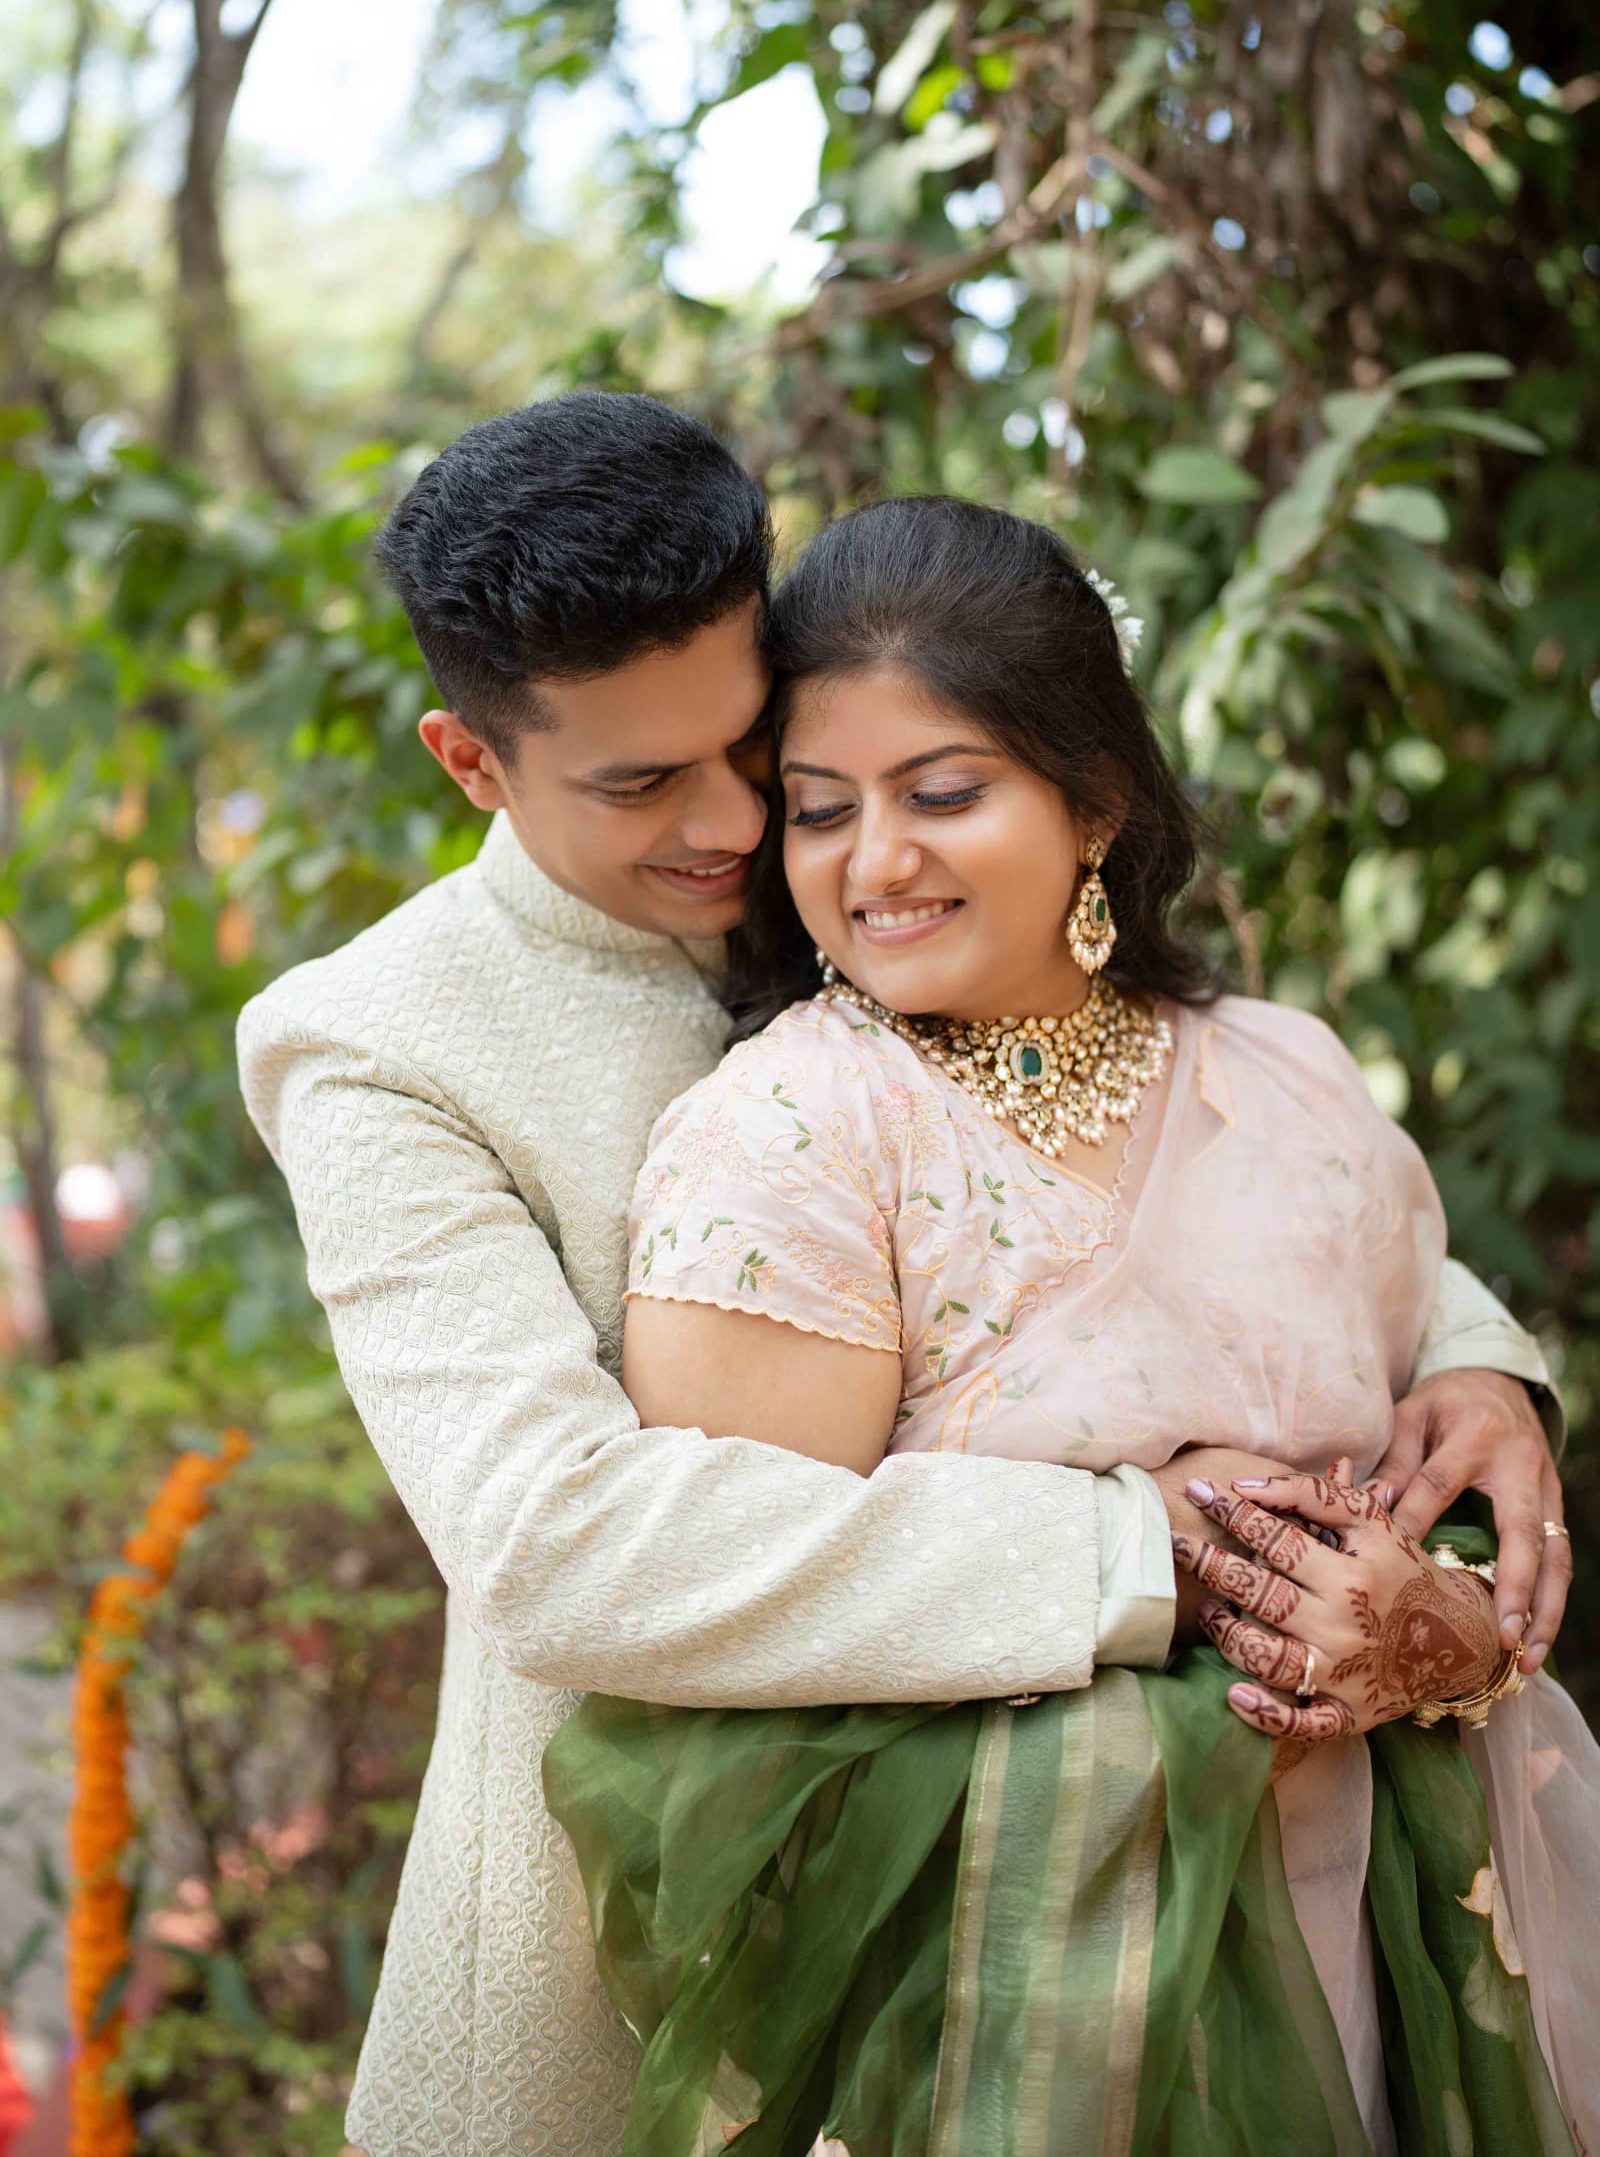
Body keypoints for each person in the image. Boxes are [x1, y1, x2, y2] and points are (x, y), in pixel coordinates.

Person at [237, 398, 1566, 2157]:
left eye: (752, 749)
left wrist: (1474, 1366)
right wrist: (1144, 1545)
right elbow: (553, 1544)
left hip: (1225, 1892)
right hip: (695, 1910)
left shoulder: (877, 855)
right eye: (642, 784)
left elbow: (1213, 1159)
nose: (734, 826)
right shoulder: (381, 1043)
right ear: (472, 761)